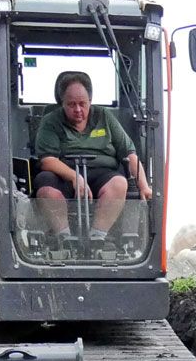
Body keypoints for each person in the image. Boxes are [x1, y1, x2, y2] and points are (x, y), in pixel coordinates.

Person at [31, 71, 153, 240]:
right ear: (62, 103)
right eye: (71, 104)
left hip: (102, 174)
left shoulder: (104, 117)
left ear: (90, 101)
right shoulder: (50, 121)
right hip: (63, 176)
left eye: (82, 104)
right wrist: (75, 177)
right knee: (45, 187)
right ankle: (64, 238)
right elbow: (47, 160)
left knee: (119, 183)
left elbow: (129, 153)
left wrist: (144, 186)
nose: (78, 109)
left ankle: (97, 237)